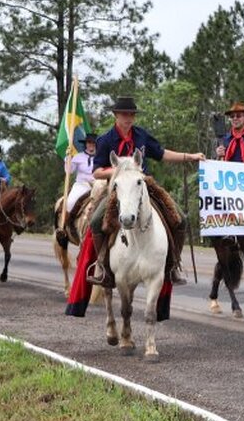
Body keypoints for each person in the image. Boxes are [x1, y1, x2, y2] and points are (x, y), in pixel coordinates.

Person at [86, 96, 205, 288]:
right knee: (95, 220)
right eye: (124, 114)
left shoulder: (141, 135)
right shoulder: (105, 139)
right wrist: (119, 172)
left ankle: (173, 265)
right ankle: (102, 267)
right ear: (116, 115)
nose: (128, 118)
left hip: (144, 186)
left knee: (180, 218)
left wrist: (189, 156)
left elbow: (161, 153)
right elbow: (97, 171)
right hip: (118, 189)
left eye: (131, 114)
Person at [64, 133, 97, 213]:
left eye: (93, 143)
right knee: (70, 203)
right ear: (86, 144)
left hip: (97, 185)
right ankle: (69, 223)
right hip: (82, 185)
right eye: (89, 142)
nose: (91, 145)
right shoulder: (78, 156)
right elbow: (69, 171)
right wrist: (68, 158)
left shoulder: (101, 156)